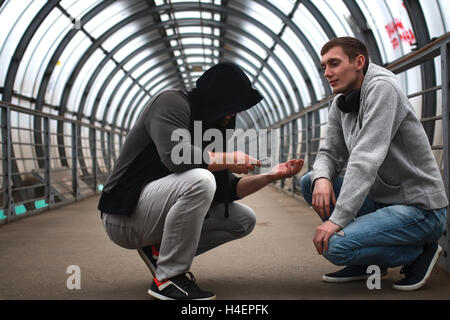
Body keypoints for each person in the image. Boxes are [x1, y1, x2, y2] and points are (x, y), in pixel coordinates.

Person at [98, 62, 303, 300]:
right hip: (123, 214)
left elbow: (227, 189)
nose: (233, 114)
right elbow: (177, 157)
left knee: (244, 219)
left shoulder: (215, 125)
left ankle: (157, 251)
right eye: (231, 106)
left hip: (151, 215)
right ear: (215, 99)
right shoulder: (171, 103)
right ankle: (167, 278)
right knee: (200, 179)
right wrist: (227, 158)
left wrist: (271, 175)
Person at [299, 37, 447, 291]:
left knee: (335, 246)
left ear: (359, 62)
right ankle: (368, 263)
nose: (327, 73)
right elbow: (327, 153)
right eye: (323, 67)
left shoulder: (382, 88)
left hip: (419, 210)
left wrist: (337, 220)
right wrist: (322, 178)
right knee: (309, 181)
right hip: (381, 203)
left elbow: (366, 157)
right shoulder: (340, 102)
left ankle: (420, 253)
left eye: (334, 64)